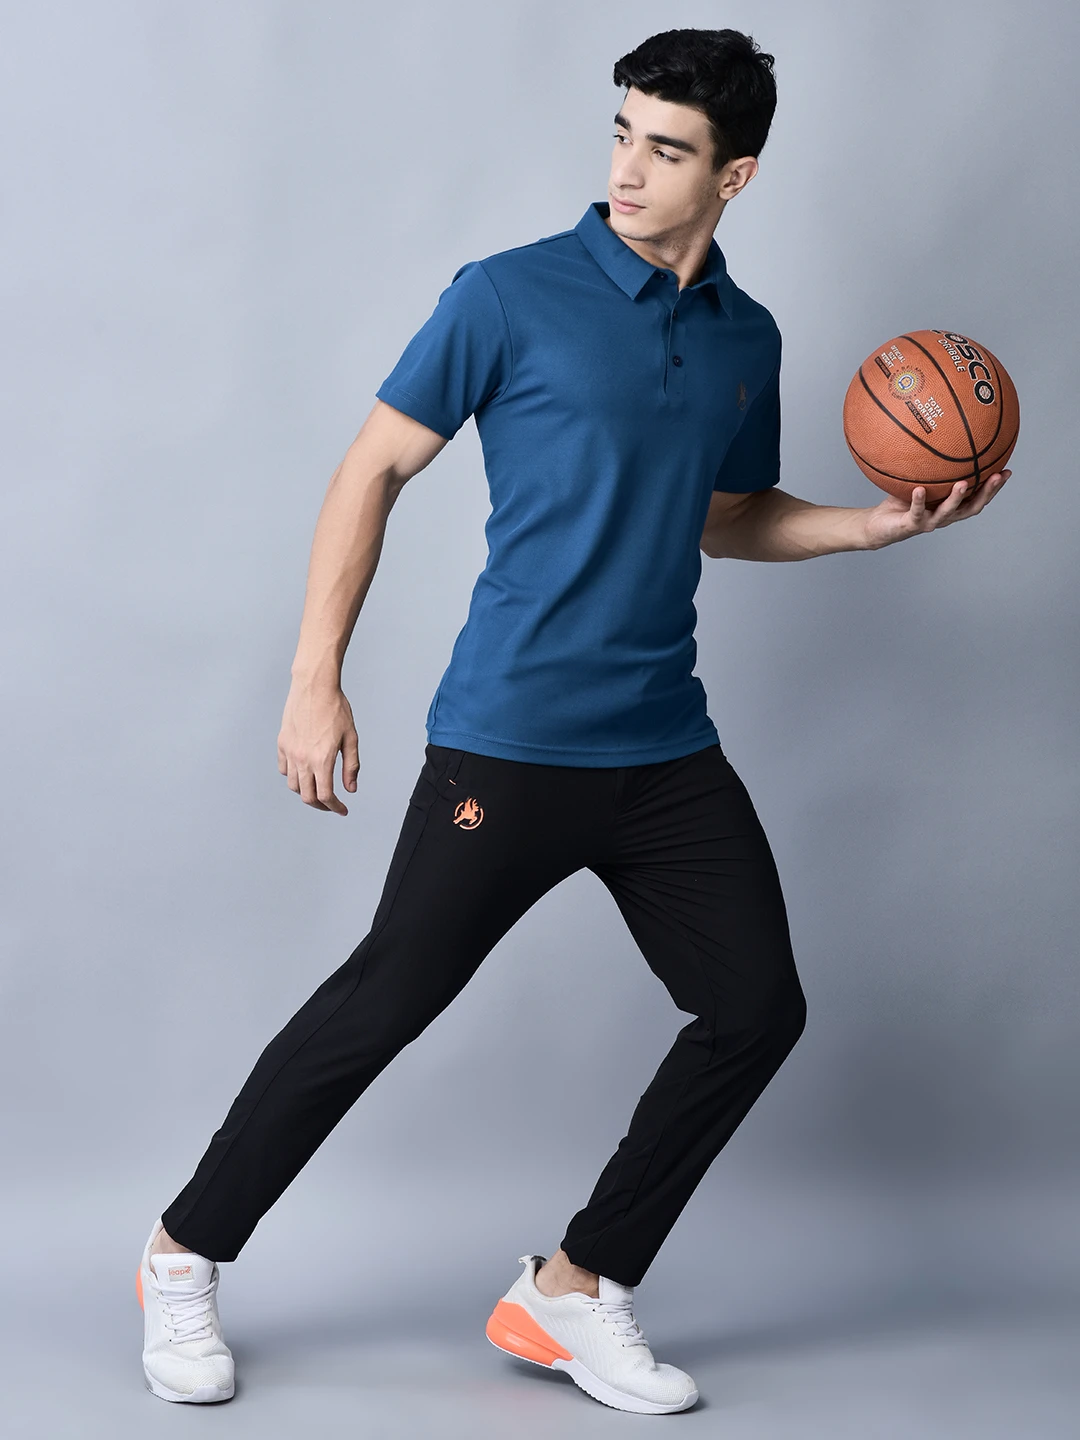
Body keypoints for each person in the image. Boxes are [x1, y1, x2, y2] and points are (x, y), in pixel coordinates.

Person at [135, 26, 1010, 1416]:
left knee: (756, 1009)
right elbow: (371, 468)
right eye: (622, 133)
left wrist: (872, 527)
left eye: (667, 148)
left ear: (735, 177)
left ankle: (573, 1287)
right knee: (386, 1003)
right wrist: (315, 676)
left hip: (664, 750)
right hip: (509, 741)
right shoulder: (507, 295)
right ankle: (182, 1253)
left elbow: (725, 517)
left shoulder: (745, 338)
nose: (628, 168)